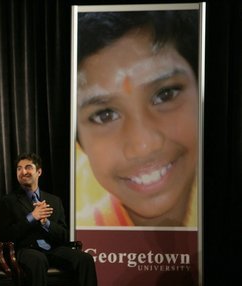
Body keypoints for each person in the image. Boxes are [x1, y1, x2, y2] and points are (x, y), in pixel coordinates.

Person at [76, 10, 199, 227]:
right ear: (80, 143)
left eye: (165, 95)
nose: (143, 145)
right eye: (104, 115)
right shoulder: (86, 230)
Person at [0, 153, 110, 286]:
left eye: (28, 167)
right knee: (37, 260)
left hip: (53, 249)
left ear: (39, 171)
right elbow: (4, 235)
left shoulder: (54, 200)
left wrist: (46, 223)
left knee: (85, 259)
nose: (23, 171)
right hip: (25, 250)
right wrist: (32, 217)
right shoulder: (8, 201)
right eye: (19, 168)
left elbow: (64, 235)